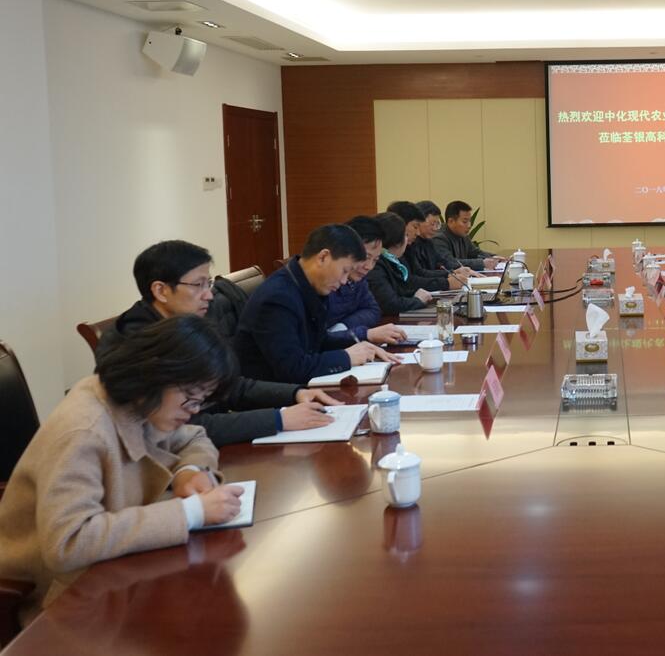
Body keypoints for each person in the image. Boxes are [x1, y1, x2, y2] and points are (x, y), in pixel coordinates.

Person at [0, 316, 247, 619]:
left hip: (114, 572)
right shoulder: (84, 431)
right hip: (58, 599)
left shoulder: (139, 402)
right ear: (158, 374)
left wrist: (189, 472)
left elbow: (195, 437)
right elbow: (69, 542)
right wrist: (191, 513)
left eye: (201, 402)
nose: (193, 411)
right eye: (190, 399)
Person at [96, 240, 340, 445]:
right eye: (198, 285)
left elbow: (228, 386)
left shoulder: (186, 325)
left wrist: (296, 393)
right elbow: (185, 428)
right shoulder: (137, 347)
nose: (209, 295)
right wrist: (279, 419)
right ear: (161, 291)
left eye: (209, 284)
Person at [233, 224, 398, 385]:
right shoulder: (278, 297)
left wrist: (361, 344)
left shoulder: (307, 285)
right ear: (323, 257)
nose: (344, 281)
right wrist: (346, 357)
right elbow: (292, 368)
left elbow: (319, 342)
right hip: (277, 394)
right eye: (344, 271)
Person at [326, 216, 410, 344]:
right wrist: (362, 333)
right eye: (365, 257)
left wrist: (343, 327)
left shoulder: (358, 278)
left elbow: (373, 310)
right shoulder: (325, 282)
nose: (369, 267)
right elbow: (319, 339)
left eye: (375, 260)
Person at [368, 211, 436, 315]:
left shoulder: (393, 260)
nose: (407, 240)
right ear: (396, 239)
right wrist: (418, 300)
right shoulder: (376, 265)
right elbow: (390, 304)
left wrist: (416, 294)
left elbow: (401, 290)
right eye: (405, 235)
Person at [399, 200, 472, 285]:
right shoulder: (409, 244)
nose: (435, 229)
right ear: (420, 221)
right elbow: (419, 273)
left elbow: (443, 261)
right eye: (432, 224)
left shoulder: (429, 242)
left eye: (437, 224)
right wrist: (449, 278)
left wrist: (458, 270)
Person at [434, 200, 504, 271]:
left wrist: (494, 257)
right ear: (451, 221)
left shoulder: (463, 234)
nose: (469, 225)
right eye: (465, 221)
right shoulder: (439, 238)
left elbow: (475, 253)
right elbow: (449, 262)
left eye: (469, 221)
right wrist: (482, 263)